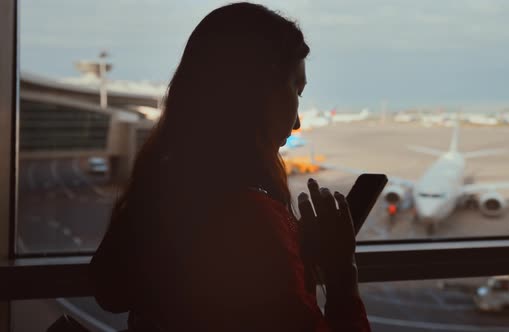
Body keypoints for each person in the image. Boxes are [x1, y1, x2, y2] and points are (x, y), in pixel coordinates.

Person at [90, 2, 371, 331]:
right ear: (255, 92)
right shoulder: (251, 220)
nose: (297, 122)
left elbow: (111, 292)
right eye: (296, 89)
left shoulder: (163, 191)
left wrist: (297, 261)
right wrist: (340, 277)